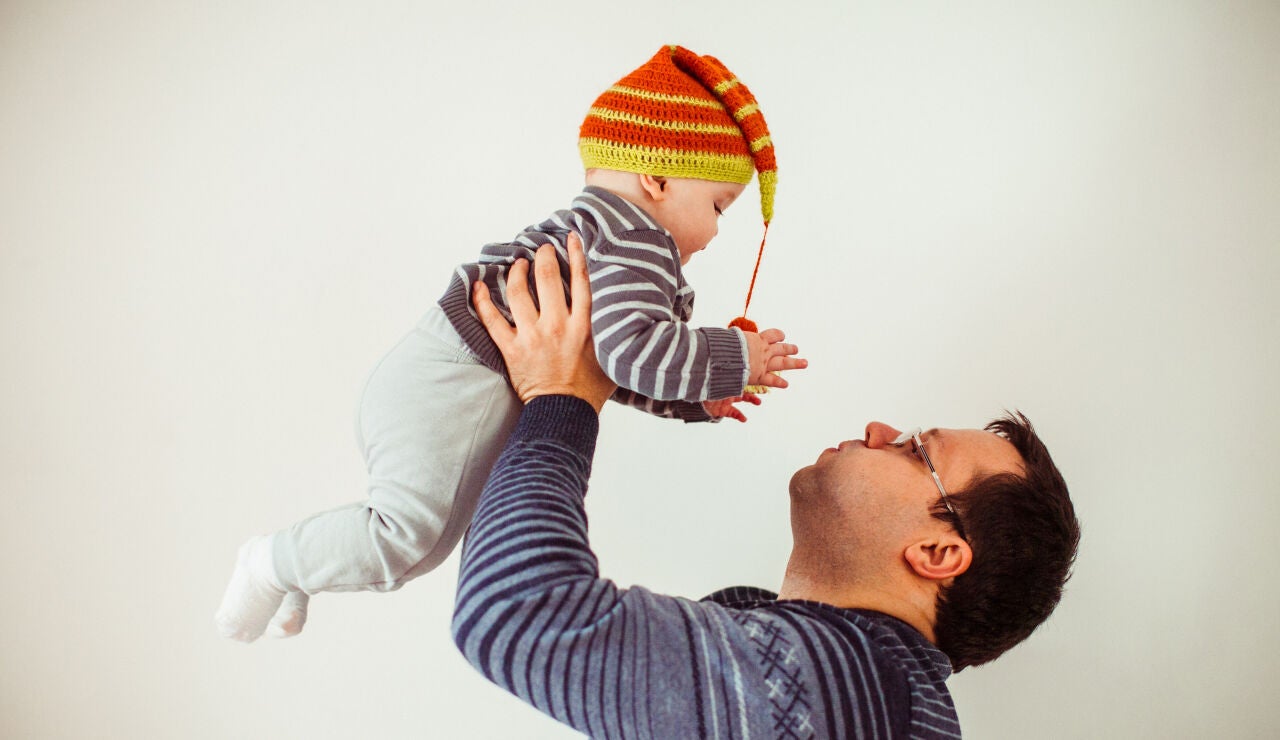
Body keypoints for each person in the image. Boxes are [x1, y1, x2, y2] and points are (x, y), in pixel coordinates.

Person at [215, 45, 804, 642]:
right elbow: (636, 353)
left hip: (433, 378)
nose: (714, 231)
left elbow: (605, 359)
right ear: (656, 179)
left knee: (415, 541)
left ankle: (297, 571)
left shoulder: (603, 229)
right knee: (403, 544)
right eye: (718, 207)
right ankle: (269, 564)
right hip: (454, 386)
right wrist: (736, 358)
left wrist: (691, 400)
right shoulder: (638, 239)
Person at [453, 239, 1080, 738]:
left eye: (917, 450)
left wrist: (562, 400)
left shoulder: (855, 686)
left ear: (938, 554)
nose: (879, 429)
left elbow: (514, 612)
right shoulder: (856, 689)